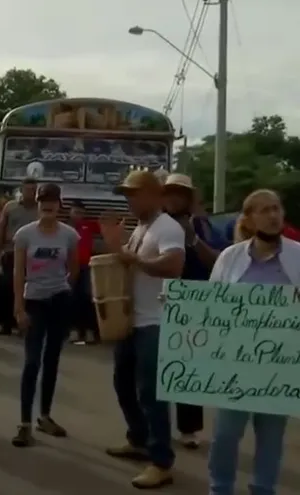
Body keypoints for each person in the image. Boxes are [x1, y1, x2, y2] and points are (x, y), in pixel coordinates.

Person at [207, 189, 299, 495]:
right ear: (248, 218)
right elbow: (210, 307)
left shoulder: (299, 256)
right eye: (264, 210)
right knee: (225, 435)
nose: (273, 216)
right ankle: (220, 489)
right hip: (235, 366)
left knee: (271, 439)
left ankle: (263, 490)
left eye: (277, 208)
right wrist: (178, 305)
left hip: (281, 367)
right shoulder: (229, 257)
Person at [100, 170, 184, 489]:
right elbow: (127, 261)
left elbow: (173, 266)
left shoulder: (168, 227)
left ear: (154, 195)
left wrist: (128, 255)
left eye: (133, 194)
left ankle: (161, 462)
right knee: (123, 383)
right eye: (126, 194)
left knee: (152, 394)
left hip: (155, 321)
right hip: (133, 321)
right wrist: (118, 250)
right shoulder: (141, 227)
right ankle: (139, 439)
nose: (128, 200)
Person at [11, 183, 78, 447]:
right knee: (31, 362)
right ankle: (24, 423)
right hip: (33, 301)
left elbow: (74, 269)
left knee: (52, 360)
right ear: (37, 204)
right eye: (43, 201)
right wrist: (19, 307)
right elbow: (18, 272)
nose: (48, 205)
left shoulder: (70, 235)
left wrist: (64, 292)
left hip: (59, 300)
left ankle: (45, 416)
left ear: (59, 204)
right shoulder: (24, 235)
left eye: (52, 200)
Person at [162, 174, 223, 449]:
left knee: (187, 367)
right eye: (169, 193)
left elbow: (218, 262)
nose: (174, 198)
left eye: (179, 193)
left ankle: (189, 429)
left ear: (188, 198)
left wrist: (192, 239)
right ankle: (156, 428)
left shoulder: (201, 224)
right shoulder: (157, 224)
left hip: (194, 301)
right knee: (155, 369)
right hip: (159, 301)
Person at [0, 178, 39, 336]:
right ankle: (6, 323)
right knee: (7, 288)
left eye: (33, 189)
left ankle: (24, 324)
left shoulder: (39, 209)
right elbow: (1, 228)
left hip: (32, 254)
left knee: (28, 289)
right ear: (21, 190)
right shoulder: (10, 207)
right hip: (11, 252)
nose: (30, 192)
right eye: (27, 189)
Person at [67, 200, 100, 345]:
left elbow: (105, 228)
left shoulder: (88, 226)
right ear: (70, 212)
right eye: (75, 212)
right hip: (68, 266)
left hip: (86, 266)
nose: (78, 215)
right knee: (71, 297)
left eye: (81, 213)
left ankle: (88, 330)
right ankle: (73, 331)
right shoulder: (65, 228)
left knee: (87, 297)